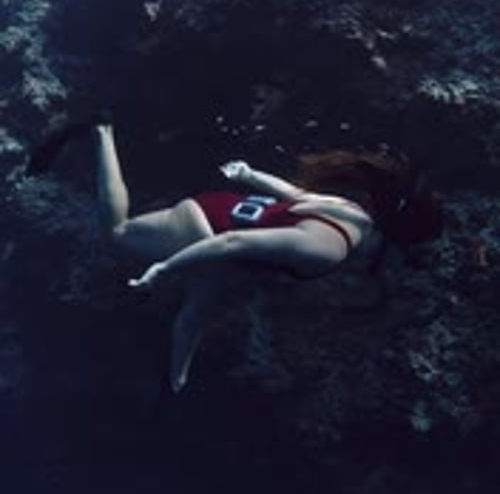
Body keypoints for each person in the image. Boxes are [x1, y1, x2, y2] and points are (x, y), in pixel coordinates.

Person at [27, 118, 443, 392]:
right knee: (120, 235)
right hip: (209, 227)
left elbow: (294, 195)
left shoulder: (353, 213)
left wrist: (248, 175)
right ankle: (102, 130)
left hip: (223, 211)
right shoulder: (328, 250)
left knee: (201, 305)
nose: (407, 266)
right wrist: (163, 268)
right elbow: (234, 245)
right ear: (395, 241)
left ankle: (177, 380)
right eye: (411, 257)